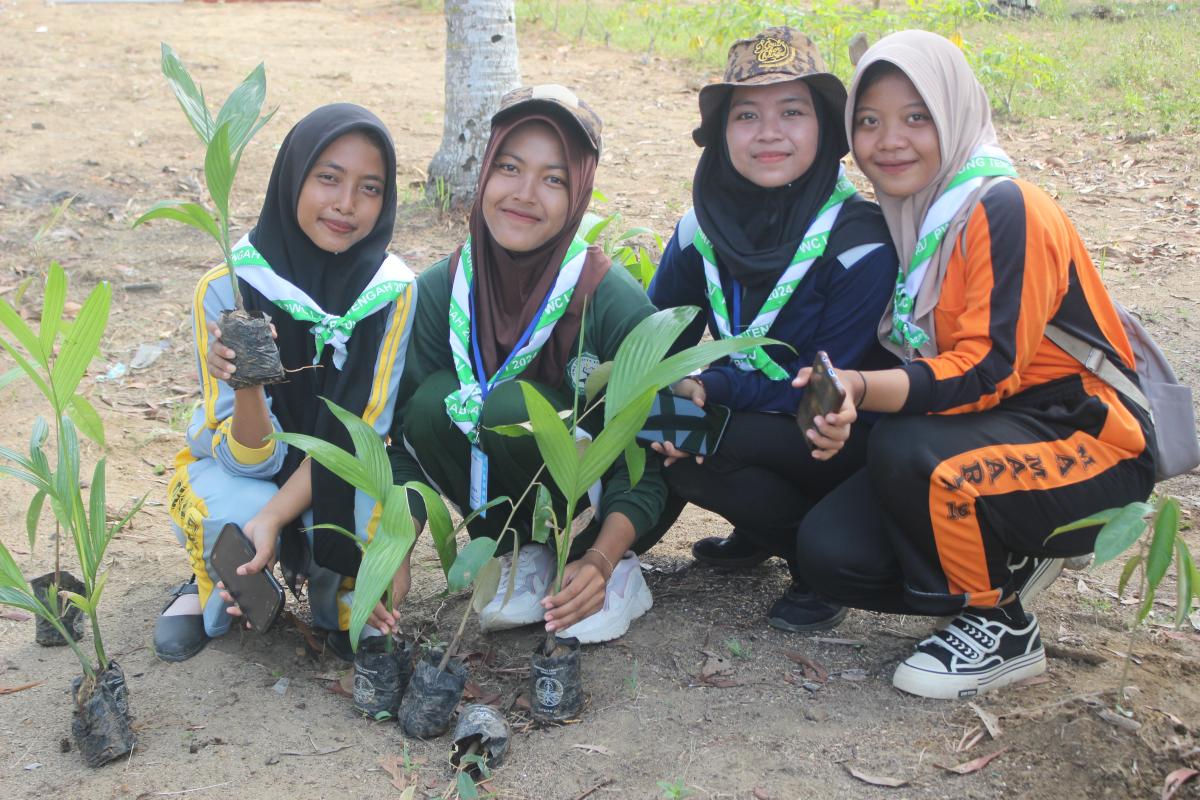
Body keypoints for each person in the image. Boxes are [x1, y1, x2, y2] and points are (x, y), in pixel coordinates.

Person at [790, 31, 1156, 699]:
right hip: (991, 429)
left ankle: (999, 623)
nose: (888, 141)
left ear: (955, 113)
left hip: (1090, 441)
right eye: (868, 121)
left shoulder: (1006, 207)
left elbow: (986, 371)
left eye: (916, 117)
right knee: (830, 556)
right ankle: (1008, 556)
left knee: (906, 445)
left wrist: (861, 388)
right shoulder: (912, 216)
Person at [388, 85, 674, 644]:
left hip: (615, 512)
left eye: (554, 179)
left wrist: (602, 558)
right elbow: (405, 443)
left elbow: (651, 462)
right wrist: (392, 553)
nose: (524, 193)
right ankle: (522, 552)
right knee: (432, 403)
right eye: (510, 167)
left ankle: (611, 573)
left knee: (510, 407)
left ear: (580, 191)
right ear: (485, 172)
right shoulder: (444, 289)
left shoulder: (609, 299)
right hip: (509, 502)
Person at [647, 27, 897, 632]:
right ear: (721, 133)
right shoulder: (699, 229)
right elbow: (653, 338)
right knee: (664, 431)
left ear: (826, 129)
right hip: (754, 410)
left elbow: (821, 388)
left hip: (841, 434)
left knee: (707, 439)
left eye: (792, 112)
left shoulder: (860, 242)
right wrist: (659, 394)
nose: (768, 132)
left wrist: (709, 387)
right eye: (746, 115)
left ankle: (815, 564)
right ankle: (759, 528)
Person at [155, 105, 417, 662]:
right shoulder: (231, 286)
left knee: (361, 534)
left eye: (369, 188)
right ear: (292, 177)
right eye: (328, 177)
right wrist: (246, 381)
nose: (346, 203)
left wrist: (278, 515)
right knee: (235, 513)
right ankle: (204, 583)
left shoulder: (390, 291)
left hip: (335, 467)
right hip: (239, 466)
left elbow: (359, 436)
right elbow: (248, 460)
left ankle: (338, 603)